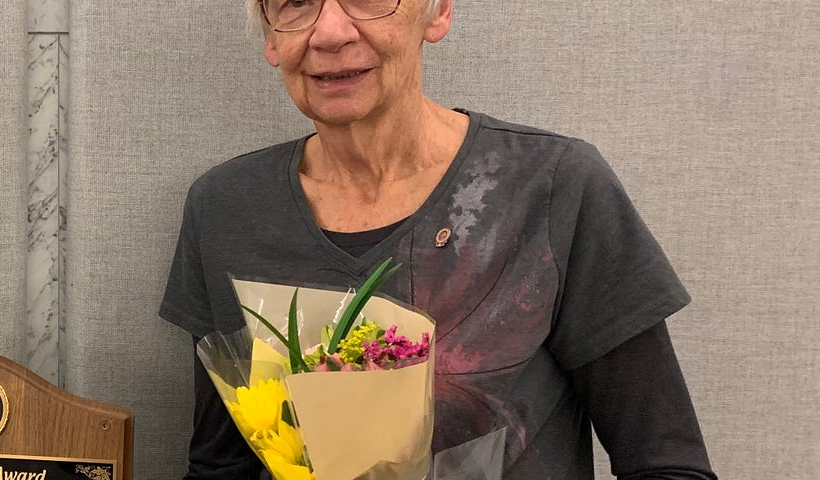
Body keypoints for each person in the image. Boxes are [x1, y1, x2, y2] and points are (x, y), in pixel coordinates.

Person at [159, 1, 716, 478]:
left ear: (438, 10)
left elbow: (666, 462)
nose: (329, 32)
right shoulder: (226, 207)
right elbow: (220, 467)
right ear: (270, 36)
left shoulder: (553, 187)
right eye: (294, 1)